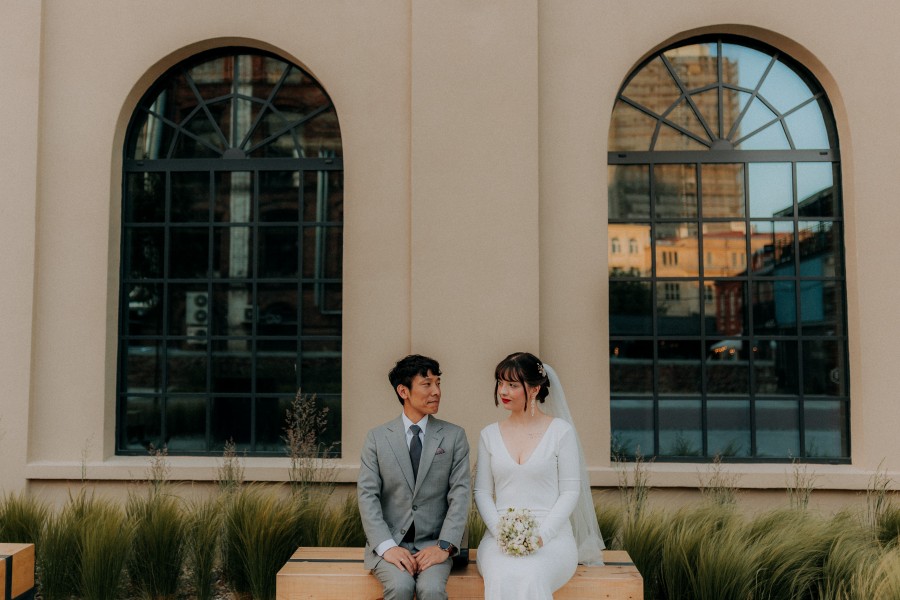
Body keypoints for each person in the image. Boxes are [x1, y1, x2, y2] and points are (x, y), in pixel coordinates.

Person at [474, 351, 605, 599]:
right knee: (500, 574)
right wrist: (500, 532)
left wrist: (541, 537)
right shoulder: (488, 435)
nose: (503, 391)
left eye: (513, 385)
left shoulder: (560, 432)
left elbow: (570, 492)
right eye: (500, 383)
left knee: (532, 574)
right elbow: (481, 492)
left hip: (552, 538)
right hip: (498, 538)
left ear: (534, 389)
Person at [358, 354, 471, 600]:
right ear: (403, 391)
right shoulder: (377, 438)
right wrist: (387, 547)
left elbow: (461, 496)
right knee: (400, 587)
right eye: (427, 384)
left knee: (431, 590)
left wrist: (444, 546)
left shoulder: (454, 436)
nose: (436, 391)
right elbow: (367, 497)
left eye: (438, 383)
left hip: (435, 545)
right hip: (390, 544)